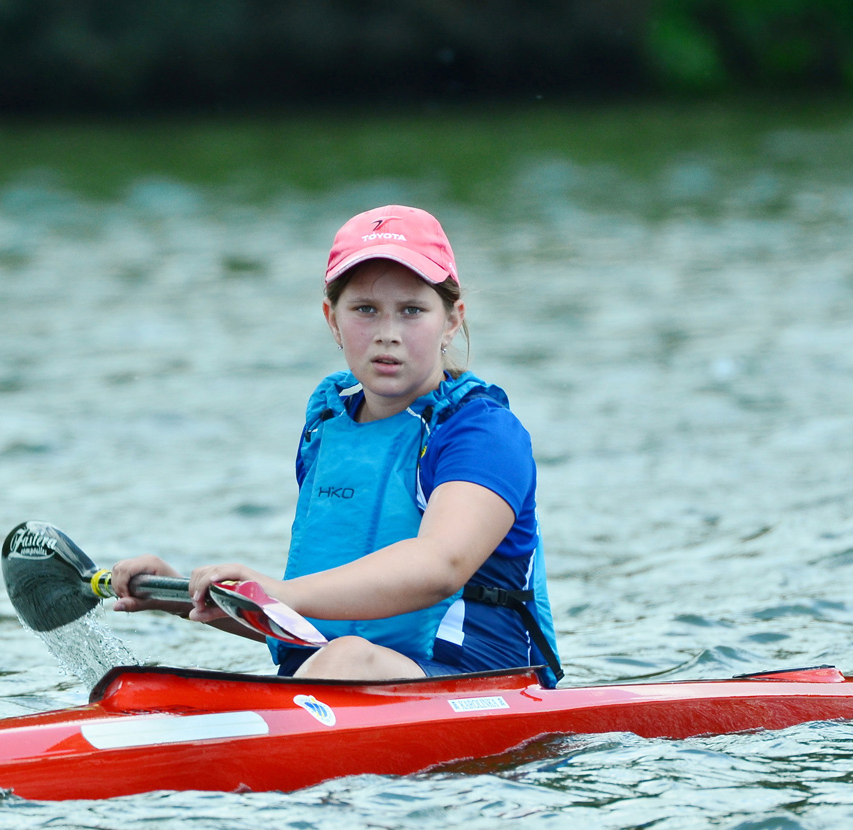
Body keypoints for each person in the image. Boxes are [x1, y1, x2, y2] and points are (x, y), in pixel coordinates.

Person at [110, 205, 561, 686]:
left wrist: (277, 591)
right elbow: (315, 625)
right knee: (341, 656)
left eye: (412, 310)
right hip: (343, 678)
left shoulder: (483, 432)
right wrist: (180, 595)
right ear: (332, 318)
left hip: (491, 683)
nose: (388, 333)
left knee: (349, 657)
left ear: (451, 321)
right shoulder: (328, 424)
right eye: (365, 310)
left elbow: (441, 567)